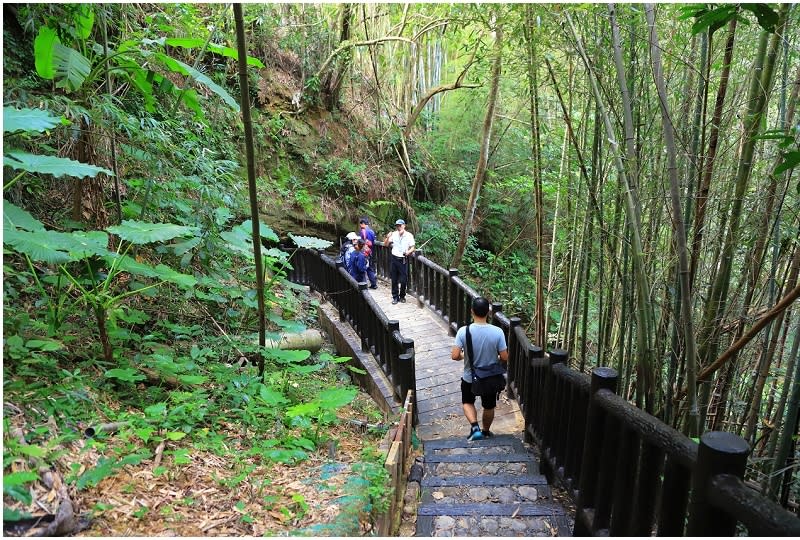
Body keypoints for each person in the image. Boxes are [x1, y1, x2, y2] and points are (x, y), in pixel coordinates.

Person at [451, 296, 509, 441]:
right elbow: (504, 357)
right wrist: (495, 359)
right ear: (488, 313)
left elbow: (455, 355)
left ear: (472, 311)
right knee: (489, 406)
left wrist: (464, 356)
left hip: (470, 376)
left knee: (467, 402)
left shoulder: (463, 331)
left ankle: (475, 428)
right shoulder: (497, 332)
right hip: (489, 377)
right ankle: (486, 432)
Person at [383, 219, 415, 304]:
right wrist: (387, 237)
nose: (399, 227)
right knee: (394, 279)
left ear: (404, 225)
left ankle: (402, 296)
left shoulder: (409, 235)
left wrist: (408, 252)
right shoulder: (394, 234)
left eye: (400, 225)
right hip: (394, 259)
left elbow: (412, 247)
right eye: (397, 225)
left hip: (403, 260)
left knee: (404, 280)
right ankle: (395, 297)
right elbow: (385, 244)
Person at [358, 217, 378, 289]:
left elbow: (360, 242)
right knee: (369, 268)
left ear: (363, 224)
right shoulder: (372, 231)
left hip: (364, 252)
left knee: (362, 268)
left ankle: (363, 285)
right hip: (370, 251)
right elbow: (373, 241)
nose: (360, 226)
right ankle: (374, 284)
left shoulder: (363, 231)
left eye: (360, 225)